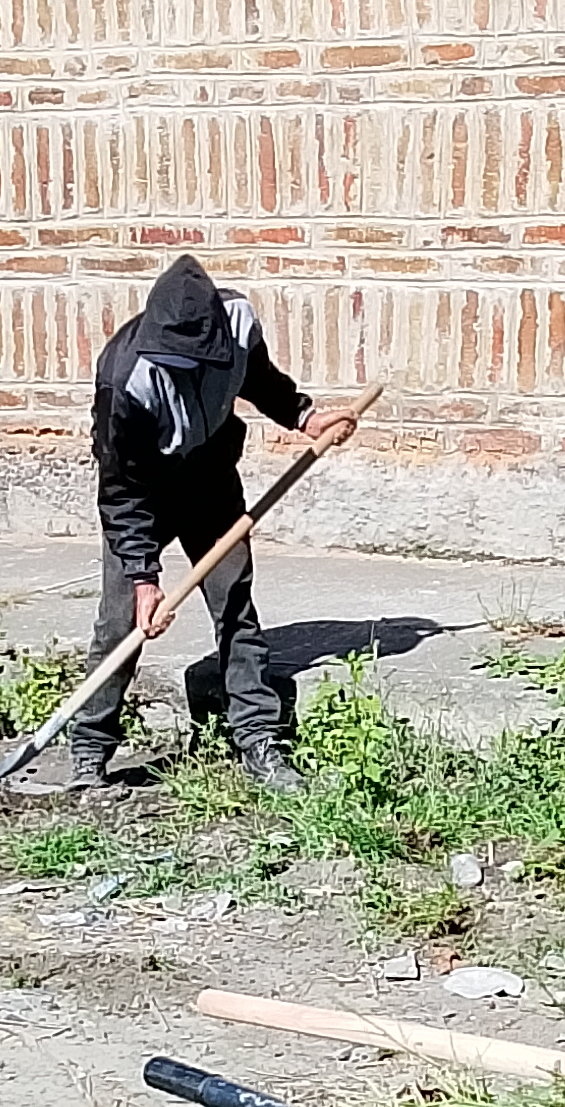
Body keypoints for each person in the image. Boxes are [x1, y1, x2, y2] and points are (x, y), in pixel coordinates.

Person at [75, 256, 357, 791]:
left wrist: (305, 416)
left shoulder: (237, 322)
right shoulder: (125, 379)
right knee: (120, 624)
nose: (183, 368)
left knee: (234, 610)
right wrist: (144, 578)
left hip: (210, 484)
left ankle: (259, 740)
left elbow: (258, 379)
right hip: (145, 495)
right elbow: (120, 489)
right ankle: (89, 750)